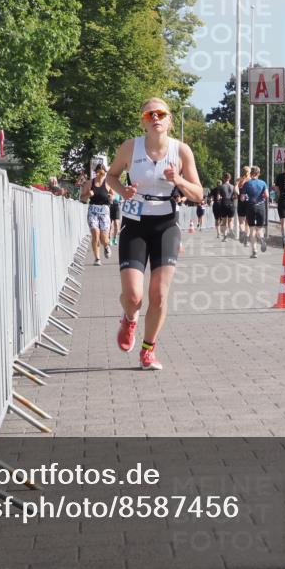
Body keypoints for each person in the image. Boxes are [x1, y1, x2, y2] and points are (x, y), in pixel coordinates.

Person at [106, 98, 204, 371]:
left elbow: (199, 194)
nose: (156, 118)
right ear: (144, 121)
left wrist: (179, 180)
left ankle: (147, 350)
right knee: (135, 297)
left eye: (161, 114)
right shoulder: (130, 147)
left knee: (158, 295)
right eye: (150, 115)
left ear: (170, 120)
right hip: (135, 224)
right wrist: (122, 191)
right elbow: (111, 177)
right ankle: (129, 318)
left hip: (165, 226)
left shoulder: (181, 151)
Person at [80, 164, 114, 266]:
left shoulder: (108, 183)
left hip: (104, 212)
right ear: (96, 172)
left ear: (105, 173)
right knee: (95, 233)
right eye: (98, 172)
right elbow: (82, 198)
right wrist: (87, 195)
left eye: (102, 172)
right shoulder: (89, 183)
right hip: (93, 211)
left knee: (104, 237)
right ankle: (97, 258)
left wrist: (111, 197)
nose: (100, 174)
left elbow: (113, 197)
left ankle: (107, 246)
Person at [242, 166, 269, 258]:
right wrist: (260, 197)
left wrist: (246, 198)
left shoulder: (247, 184)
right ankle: (261, 239)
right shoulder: (263, 183)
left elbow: (242, 198)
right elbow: (267, 195)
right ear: (258, 173)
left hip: (251, 207)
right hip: (261, 207)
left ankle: (254, 251)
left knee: (252, 229)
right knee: (259, 229)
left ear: (251, 173)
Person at [234, 166, 252, 244]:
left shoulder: (239, 180)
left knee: (241, 222)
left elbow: (235, 190)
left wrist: (238, 193)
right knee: (247, 222)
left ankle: (242, 232)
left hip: (241, 201)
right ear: (249, 172)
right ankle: (246, 240)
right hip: (249, 202)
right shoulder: (251, 180)